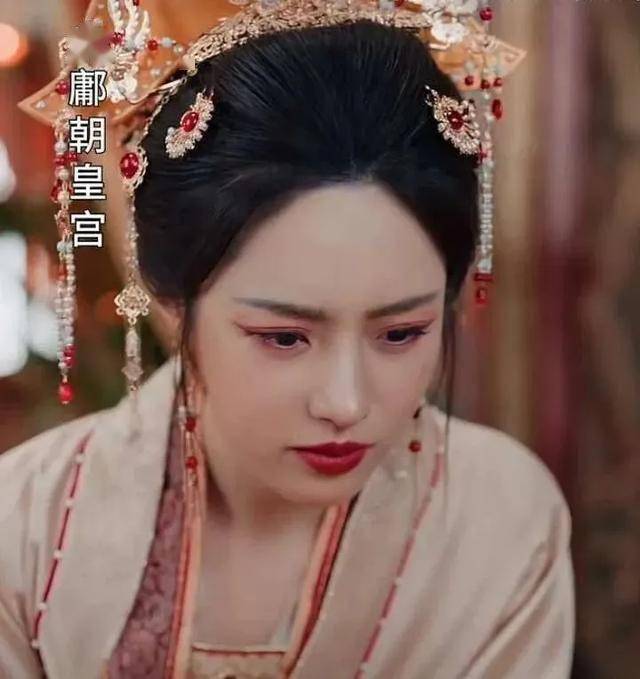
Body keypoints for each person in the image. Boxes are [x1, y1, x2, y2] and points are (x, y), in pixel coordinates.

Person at [1, 6, 574, 679]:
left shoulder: (503, 517)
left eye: (401, 333)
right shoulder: (25, 524)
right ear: (170, 302)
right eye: (283, 337)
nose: (345, 402)